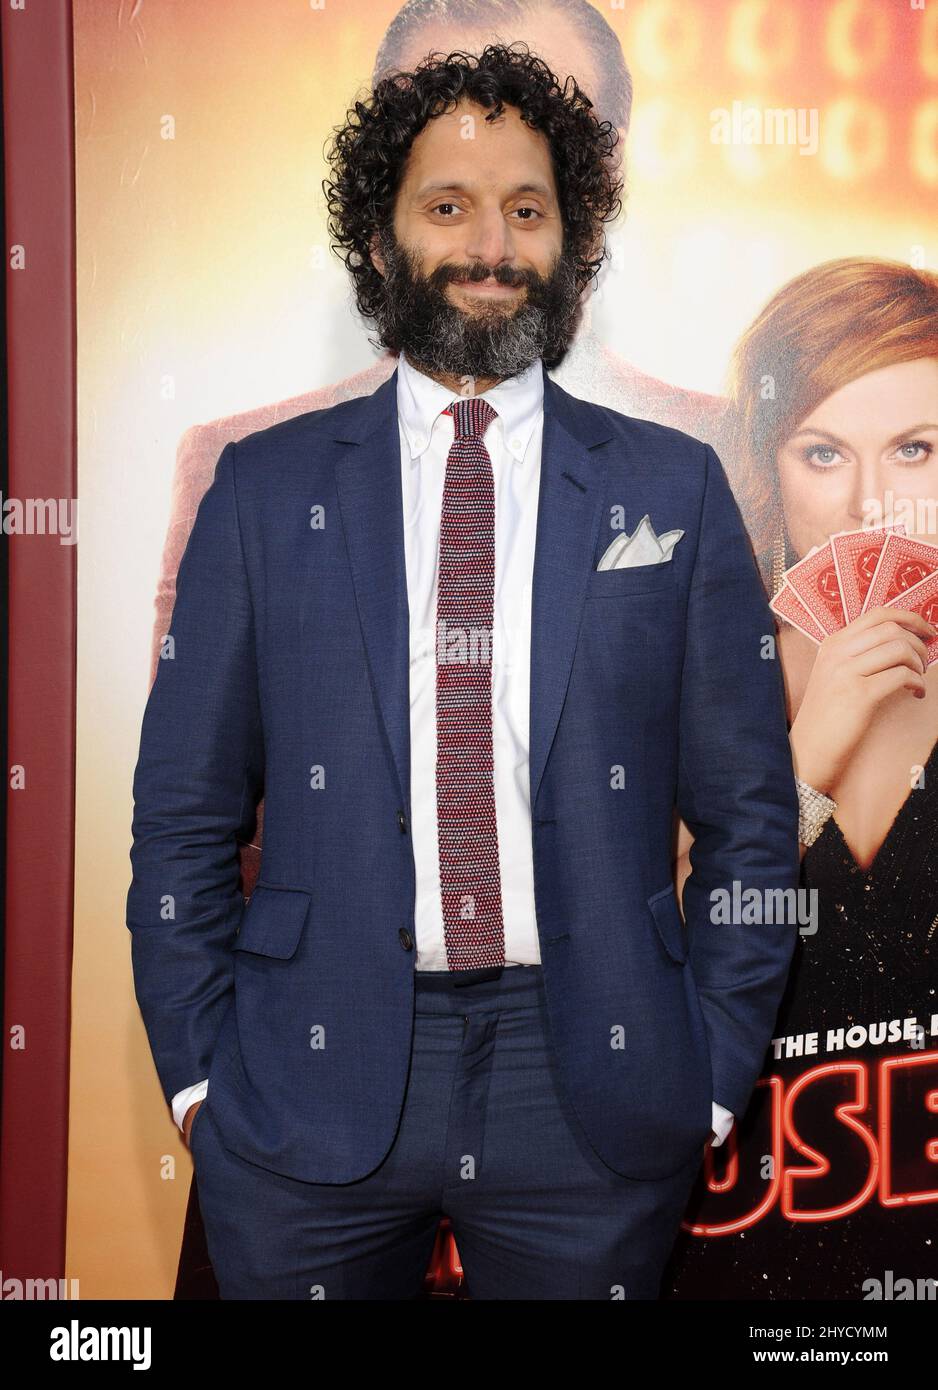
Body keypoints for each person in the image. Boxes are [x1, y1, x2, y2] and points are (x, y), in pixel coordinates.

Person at [127, 42, 800, 1301]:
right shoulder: (264, 494)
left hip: (589, 1083)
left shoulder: (673, 489)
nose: (490, 244)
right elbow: (181, 818)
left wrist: (707, 1077)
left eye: (526, 210)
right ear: (381, 243)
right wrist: (203, 1080)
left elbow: (751, 824)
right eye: (448, 207)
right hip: (305, 1082)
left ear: (570, 242)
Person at [665, 258, 938, 1300]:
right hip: (742, 1249)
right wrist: (805, 758)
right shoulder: (685, 681)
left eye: (914, 449)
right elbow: (657, 991)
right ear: (766, 466)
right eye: (821, 453)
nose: (871, 501)